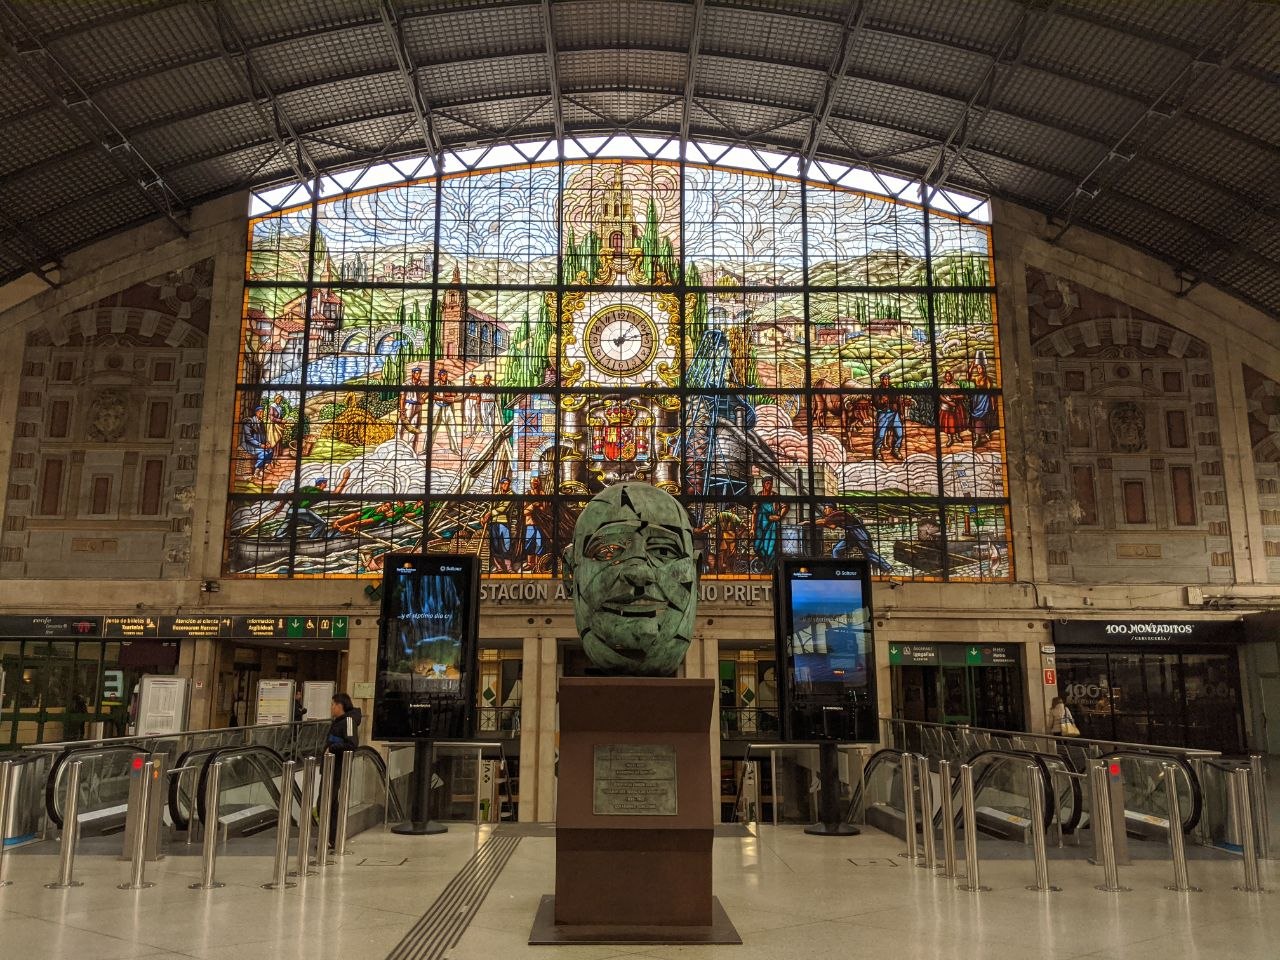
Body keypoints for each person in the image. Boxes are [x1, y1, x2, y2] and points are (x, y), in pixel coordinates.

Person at [326, 692, 362, 847]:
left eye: (333, 704)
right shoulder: (337, 721)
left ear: (340, 706)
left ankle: (332, 838)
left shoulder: (348, 721)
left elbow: (352, 744)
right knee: (328, 804)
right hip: (330, 767)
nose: (331, 707)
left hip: (337, 767)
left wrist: (332, 748)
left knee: (327, 803)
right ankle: (330, 838)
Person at [815, 503, 893, 573]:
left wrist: (809, 522)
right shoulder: (835, 516)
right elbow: (832, 526)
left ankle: (887, 568)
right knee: (837, 550)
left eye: (826, 508)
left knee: (869, 553)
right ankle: (838, 569)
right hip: (851, 534)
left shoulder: (838, 513)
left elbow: (825, 521)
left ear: (831, 509)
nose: (824, 510)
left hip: (859, 533)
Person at [751, 478, 787, 566]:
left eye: (771, 483)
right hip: (760, 524)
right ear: (763, 484)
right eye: (767, 483)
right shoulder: (758, 495)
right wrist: (752, 528)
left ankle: (770, 567)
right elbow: (754, 512)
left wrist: (779, 517)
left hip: (771, 525)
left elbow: (785, 506)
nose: (769, 485)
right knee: (757, 546)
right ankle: (764, 564)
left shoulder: (775, 495)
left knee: (770, 547)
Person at [399, 366, 428, 455]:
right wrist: (402, 410)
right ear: (412, 374)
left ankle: (411, 451)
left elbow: (429, 391)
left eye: (419, 373)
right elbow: (402, 397)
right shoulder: (406, 384)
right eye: (416, 373)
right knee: (402, 427)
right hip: (408, 406)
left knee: (414, 428)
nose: (418, 375)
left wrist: (423, 398)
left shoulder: (421, 383)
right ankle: (399, 448)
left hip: (418, 406)